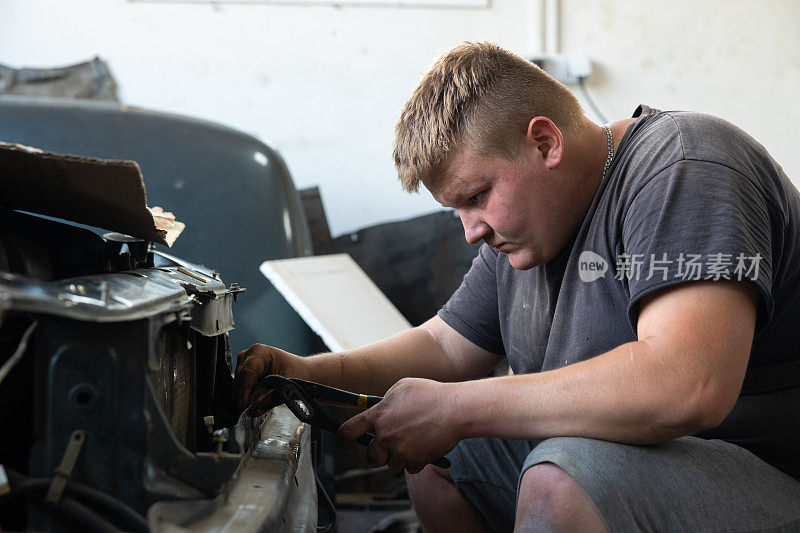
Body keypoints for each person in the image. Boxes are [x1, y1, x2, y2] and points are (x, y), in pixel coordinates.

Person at [235, 42, 800, 531]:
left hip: (769, 476)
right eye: (456, 208)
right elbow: (444, 348)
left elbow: (686, 382)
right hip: (660, 463)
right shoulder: (528, 235)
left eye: (477, 196)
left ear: (545, 142)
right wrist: (307, 373)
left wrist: (457, 408)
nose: (470, 229)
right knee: (440, 462)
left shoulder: (684, 165)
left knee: (560, 480)